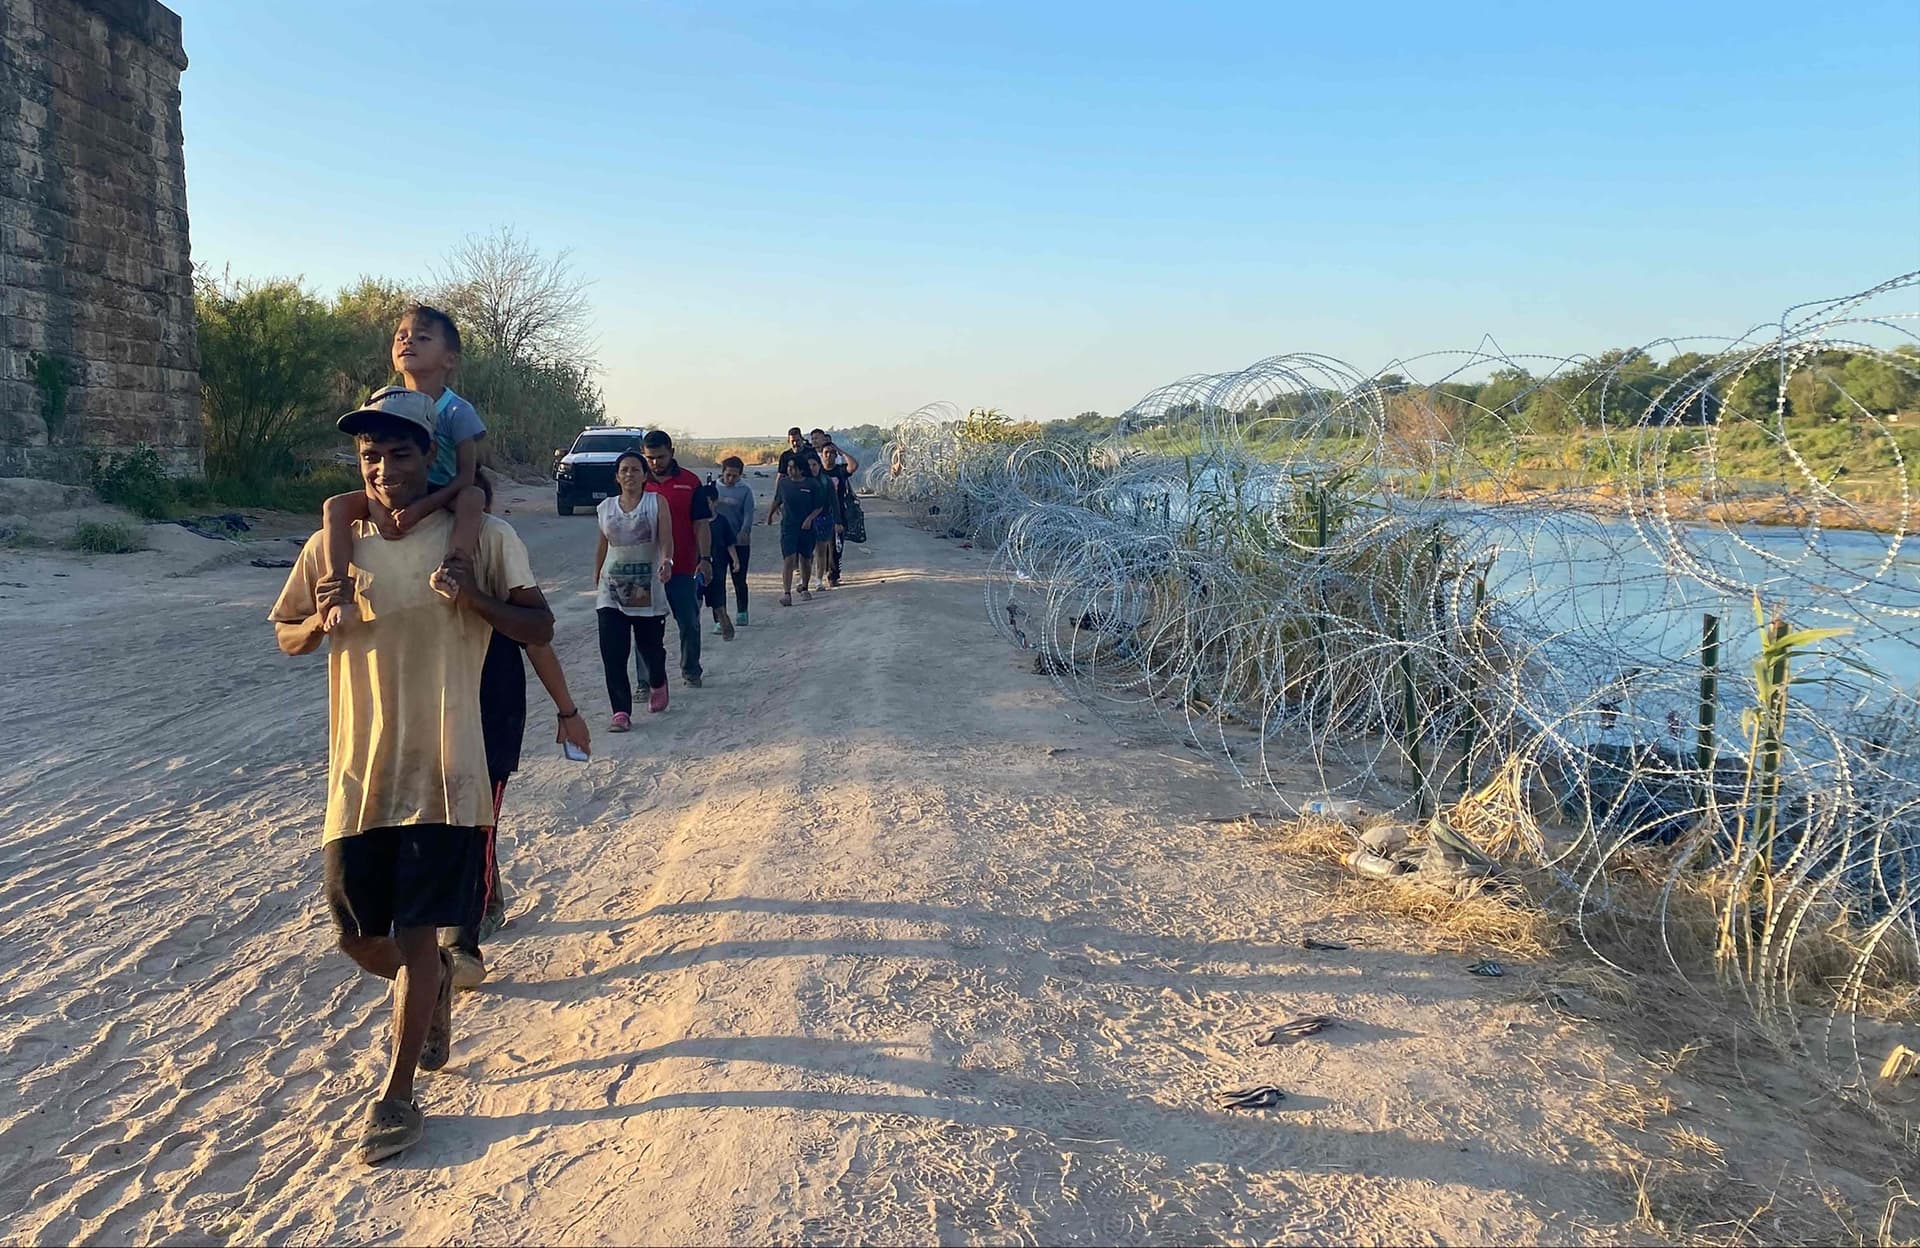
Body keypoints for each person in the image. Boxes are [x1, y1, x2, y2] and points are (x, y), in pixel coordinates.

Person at [269, 387, 553, 1165]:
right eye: (370, 456)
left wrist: (478, 599)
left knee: (418, 933)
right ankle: (421, 999)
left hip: (447, 770)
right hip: (361, 774)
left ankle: (396, 1096)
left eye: (400, 453)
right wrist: (316, 618)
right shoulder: (337, 546)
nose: (385, 468)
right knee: (358, 937)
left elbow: (539, 626)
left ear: (429, 457)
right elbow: (287, 634)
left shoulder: (484, 537)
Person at [442, 469, 592, 991]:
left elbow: (537, 636)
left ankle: (461, 942)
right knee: (444, 820)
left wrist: (568, 712)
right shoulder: (398, 546)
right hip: (426, 711)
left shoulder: (494, 543)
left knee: (476, 819)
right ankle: (486, 893)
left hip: (490, 708)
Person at [318, 306, 485, 629]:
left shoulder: (456, 410)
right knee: (334, 507)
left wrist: (422, 508)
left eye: (422, 338)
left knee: (473, 498)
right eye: (401, 336)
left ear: (449, 359)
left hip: (442, 490)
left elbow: (467, 474)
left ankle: (453, 568)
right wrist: (377, 510)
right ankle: (338, 589)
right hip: (391, 489)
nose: (408, 343)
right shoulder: (384, 404)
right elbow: (370, 463)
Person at [595, 451, 676, 729]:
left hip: (646, 587)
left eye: (635, 470)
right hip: (612, 589)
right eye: (624, 470)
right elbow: (603, 545)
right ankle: (621, 712)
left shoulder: (656, 503)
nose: (629, 474)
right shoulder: (605, 508)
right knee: (613, 652)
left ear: (644, 476)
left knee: (650, 648)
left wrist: (666, 561)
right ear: (617, 477)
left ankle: (658, 681)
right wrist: (596, 578)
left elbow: (666, 539)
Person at [639, 431, 713, 688]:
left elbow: (701, 525)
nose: (655, 463)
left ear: (671, 452)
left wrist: (705, 559)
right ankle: (646, 680)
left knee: (689, 623)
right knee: (644, 628)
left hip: (682, 567)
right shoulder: (636, 483)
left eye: (660, 457)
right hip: (646, 570)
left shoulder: (691, 482)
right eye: (649, 458)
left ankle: (691, 669)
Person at [768, 451, 829, 605]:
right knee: (789, 559)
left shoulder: (812, 484)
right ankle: (786, 593)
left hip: (806, 528)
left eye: (793, 468)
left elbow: (819, 506)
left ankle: (805, 587)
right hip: (789, 526)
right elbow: (777, 500)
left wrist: (809, 519)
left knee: (805, 558)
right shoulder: (784, 483)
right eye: (789, 468)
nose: (790, 471)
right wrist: (769, 515)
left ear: (801, 469)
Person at [709, 456, 756, 626]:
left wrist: (744, 530)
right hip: (718, 542)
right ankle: (719, 619)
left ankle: (742, 611)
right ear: (722, 472)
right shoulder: (713, 488)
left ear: (740, 475)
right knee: (717, 580)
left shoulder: (745, 490)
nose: (730, 479)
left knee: (739, 578)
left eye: (735, 476)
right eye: (728, 475)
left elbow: (749, 513)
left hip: (739, 541)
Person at [701, 476, 738, 641]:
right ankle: (697, 620)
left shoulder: (721, 521)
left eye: (708, 501)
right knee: (699, 592)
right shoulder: (696, 523)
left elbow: (730, 543)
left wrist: (735, 560)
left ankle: (721, 616)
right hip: (699, 563)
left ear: (715, 502)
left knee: (718, 590)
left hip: (719, 562)